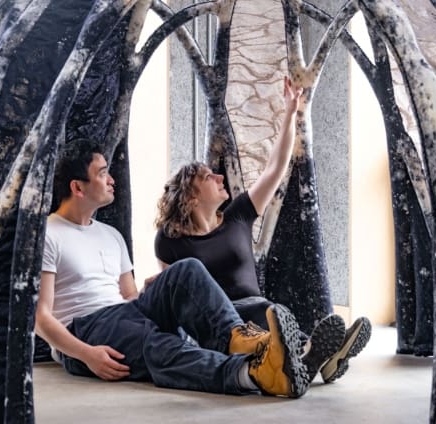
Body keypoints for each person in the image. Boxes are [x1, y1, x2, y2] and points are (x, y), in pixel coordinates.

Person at [35, 138, 311, 398]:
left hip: (122, 315)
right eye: (102, 173)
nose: (111, 180)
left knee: (186, 270)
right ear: (78, 188)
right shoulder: (48, 234)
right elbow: (39, 318)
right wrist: (85, 355)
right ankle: (253, 373)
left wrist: (153, 291)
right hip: (84, 330)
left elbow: (129, 299)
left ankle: (244, 342)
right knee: (156, 343)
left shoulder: (111, 235)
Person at [154, 76, 371, 384]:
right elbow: (173, 297)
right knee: (264, 312)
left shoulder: (237, 216)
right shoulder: (170, 240)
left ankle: (316, 357)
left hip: (260, 313)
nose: (219, 178)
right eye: (208, 177)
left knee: (270, 312)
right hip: (220, 326)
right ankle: (317, 353)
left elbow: (275, 168)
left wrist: (290, 113)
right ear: (190, 196)